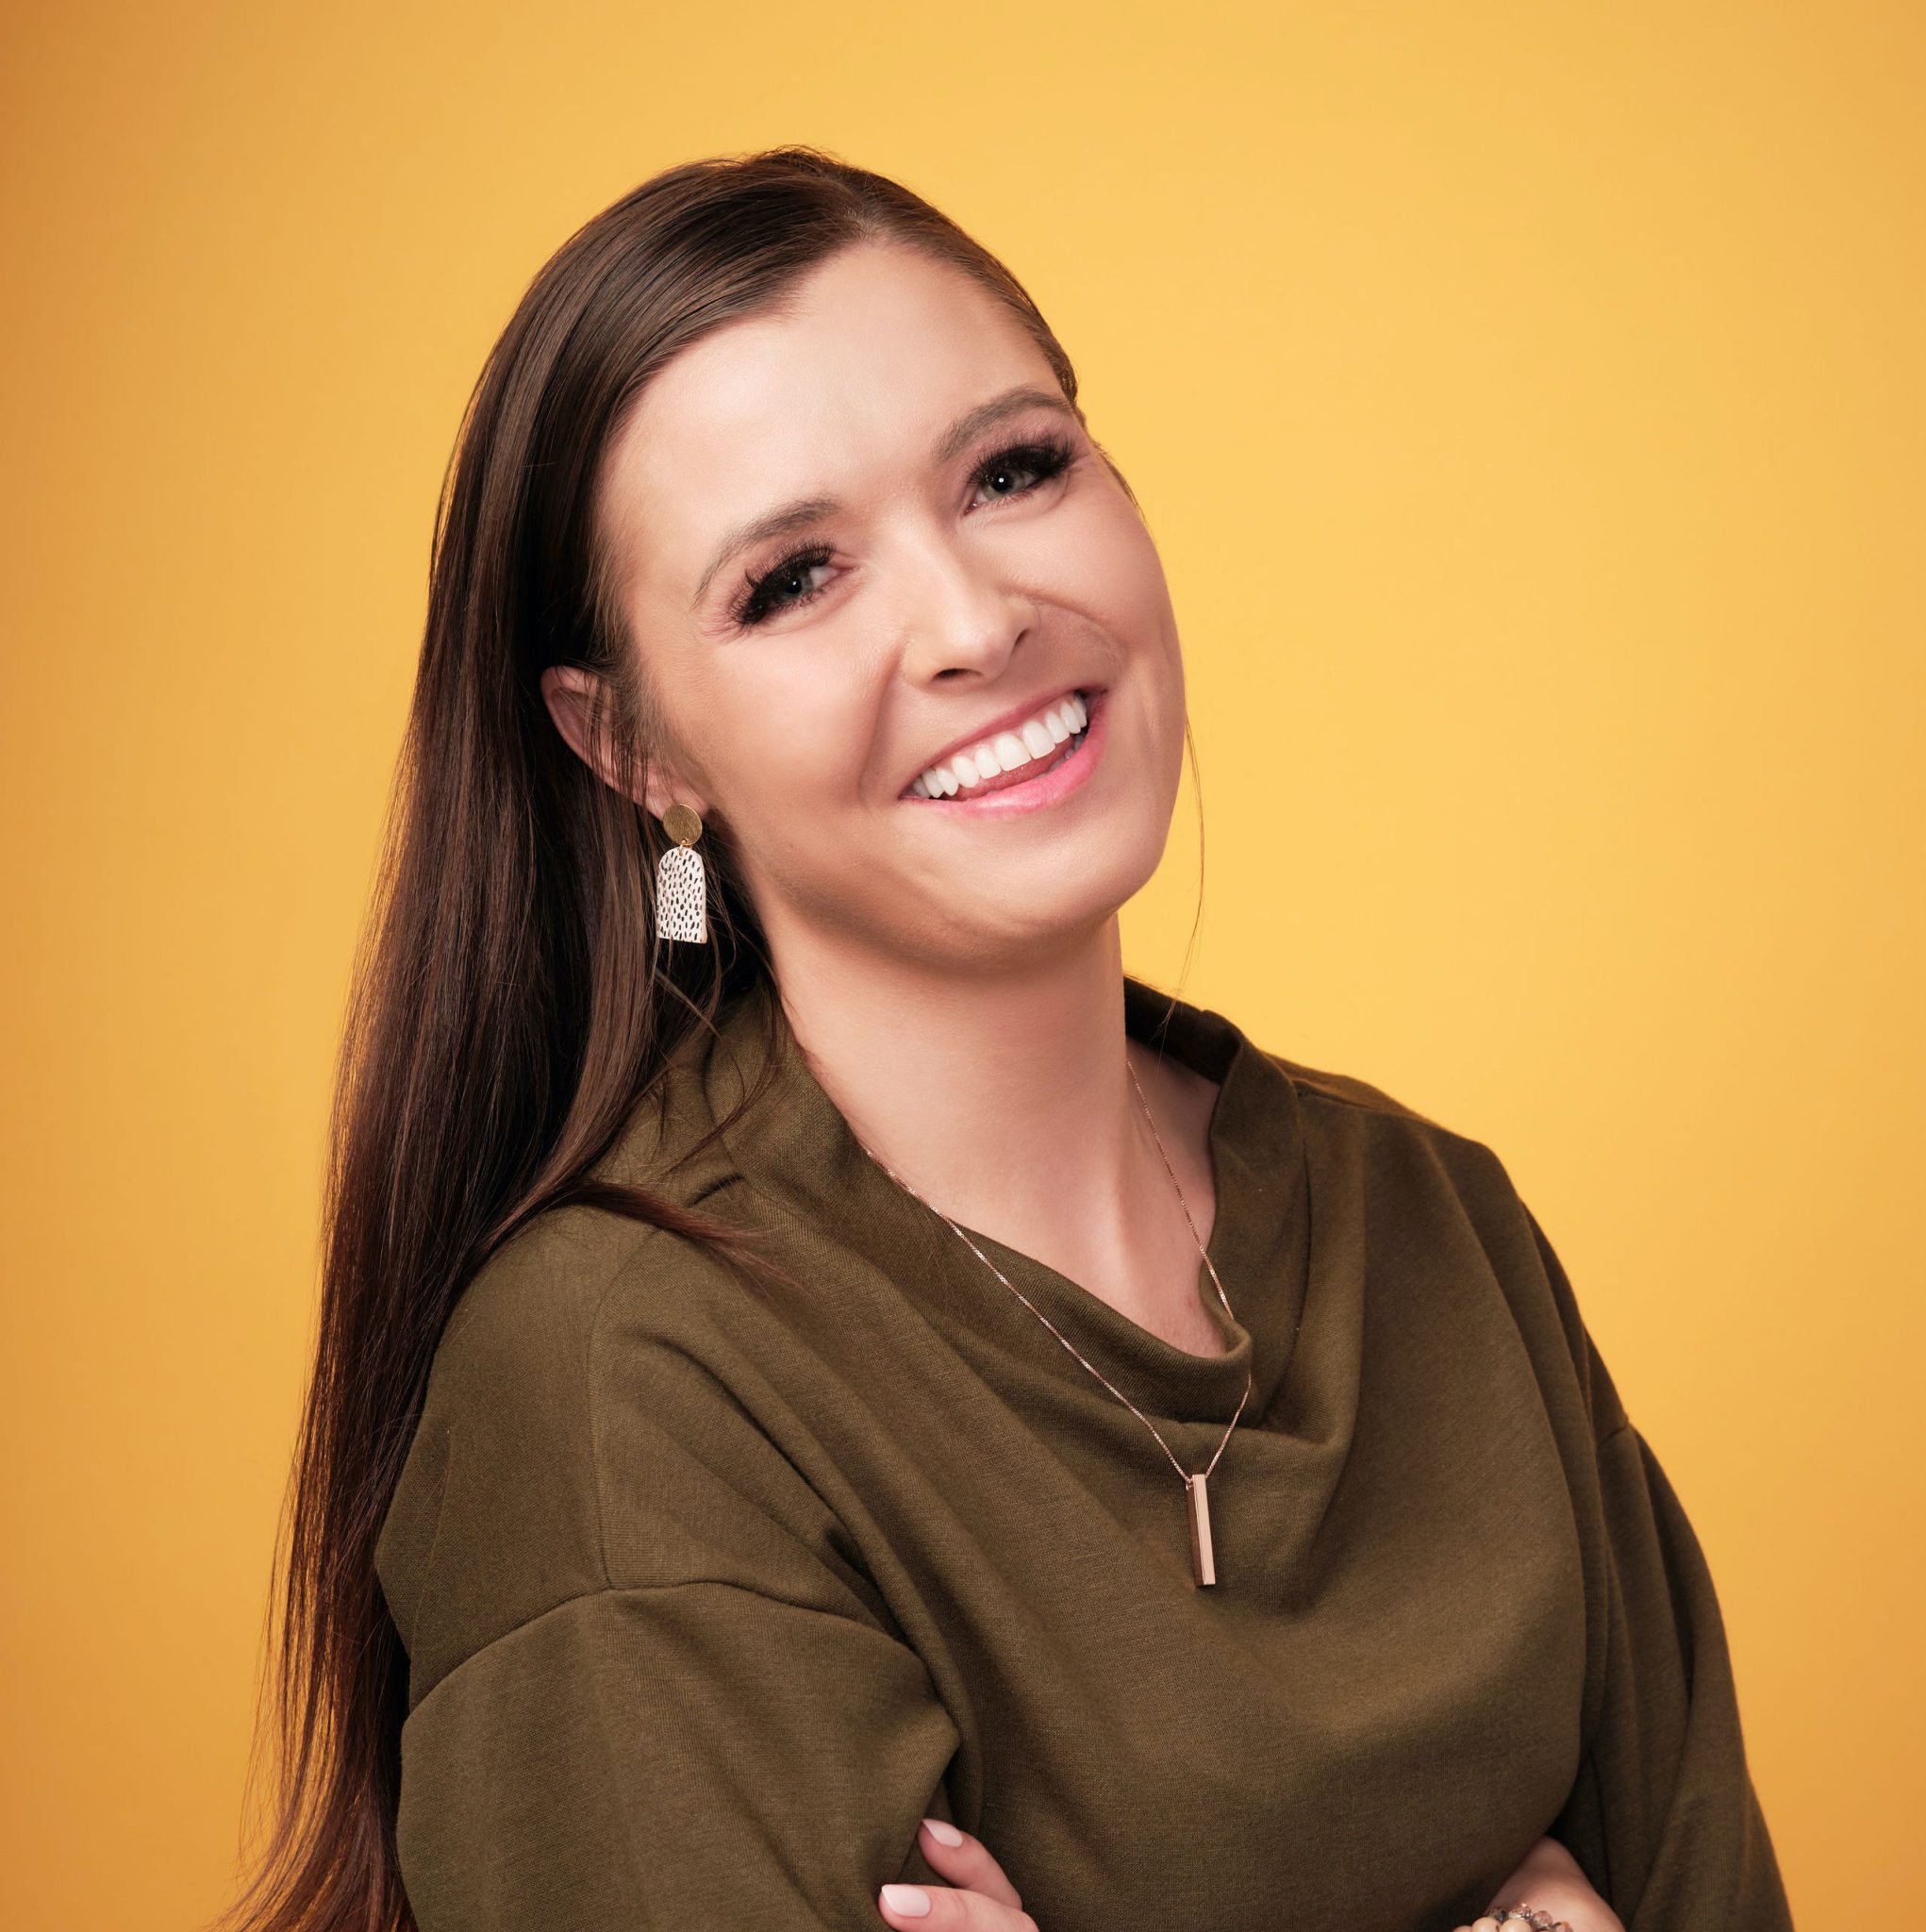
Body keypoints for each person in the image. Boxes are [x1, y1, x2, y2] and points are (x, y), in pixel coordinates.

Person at [219, 147, 1795, 1932]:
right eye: (791, 579)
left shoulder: (1436, 1220)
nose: (975, 623)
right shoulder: (624, 1382)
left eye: (1012, 471)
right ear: (632, 748)